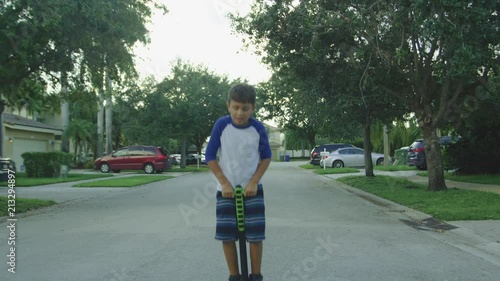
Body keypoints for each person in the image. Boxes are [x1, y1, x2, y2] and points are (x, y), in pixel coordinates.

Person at [205, 83, 272, 281]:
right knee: (227, 237)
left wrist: (254, 182)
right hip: (226, 191)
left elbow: (266, 157)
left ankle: (256, 276)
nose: (239, 113)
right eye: (235, 107)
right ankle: (234, 277)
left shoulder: (258, 128)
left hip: (252, 191)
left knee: (256, 236)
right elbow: (210, 156)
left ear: (253, 107)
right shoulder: (221, 125)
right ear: (228, 106)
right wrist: (224, 183)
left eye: (245, 108)